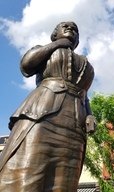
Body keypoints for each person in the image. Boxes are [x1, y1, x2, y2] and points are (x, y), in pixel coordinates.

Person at [0, 21, 95, 191]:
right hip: (42, 117)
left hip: (74, 127)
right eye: (64, 27)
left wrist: (90, 114)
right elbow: (26, 65)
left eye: (75, 29)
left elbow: (84, 94)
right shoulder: (47, 50)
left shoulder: (86, 64)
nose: (70, 29)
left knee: (64, 182)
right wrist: (57, 44)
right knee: (27, 176)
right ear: (54, 34)